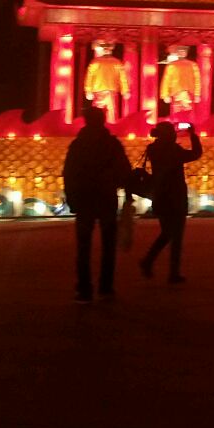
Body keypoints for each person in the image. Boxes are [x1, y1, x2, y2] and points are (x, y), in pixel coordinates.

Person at [62, 105, 130, 302]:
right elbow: (124, 170)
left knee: (83, 247)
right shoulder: (112, 144)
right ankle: (106, 287)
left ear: (86, 121)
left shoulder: (78, 145)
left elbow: (69, 173)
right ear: (102, 121)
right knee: (108, 244)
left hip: (85, 198)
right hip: (106, 198)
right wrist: (125, 191)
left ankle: (84, 289)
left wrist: (71, 198)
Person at [139, 121, 203, 284]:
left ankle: (149, 261)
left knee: (167, 232)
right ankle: (172, 272)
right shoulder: (173, 150)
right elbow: (196, 154)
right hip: (175, 196)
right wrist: (192, 135)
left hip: (161, 196)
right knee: (176, 234)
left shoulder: (153, 149)